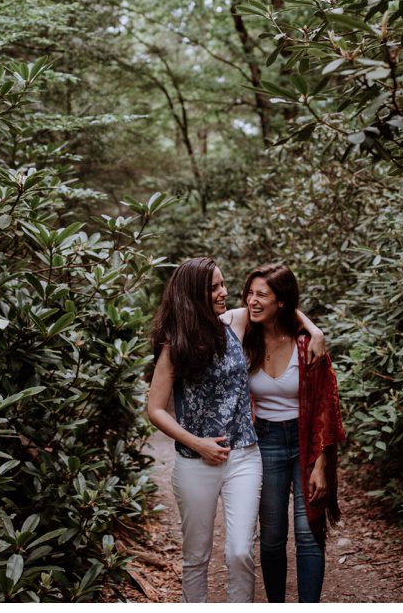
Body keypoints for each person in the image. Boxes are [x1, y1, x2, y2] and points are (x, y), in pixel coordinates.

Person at [145, 257, 326, 603]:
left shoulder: (234, 322)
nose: (224, 292)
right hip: (195, 461)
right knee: (196, 556)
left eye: (223, 285)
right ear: (194, 293)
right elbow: (155, 409)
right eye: (214, 287)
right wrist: (197, 443)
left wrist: (315, 331)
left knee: (242, 551)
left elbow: (282, 307)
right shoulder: (175, 343)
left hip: (245, 455)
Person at [228, 263, 346, 604]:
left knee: (309, 534)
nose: (252, 301)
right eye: (249, 293)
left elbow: (326, 404)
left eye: (261, 295)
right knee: (272, 537)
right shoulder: (243, 339)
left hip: (306, 442)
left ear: (281, 301)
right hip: (264, 442)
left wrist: (322, 464)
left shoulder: (307, 344)